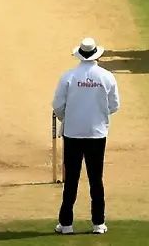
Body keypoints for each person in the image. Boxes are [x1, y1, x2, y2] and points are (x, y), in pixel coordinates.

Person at [52, 38, 120, 235]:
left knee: (71, 180)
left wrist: (69, 118)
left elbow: (57, 105)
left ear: (80, 54)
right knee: (95, 179)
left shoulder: (69, 76)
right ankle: (98, 223)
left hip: (72, 133)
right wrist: (98, 115)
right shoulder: (107, 77)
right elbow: (114, 105)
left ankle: (66, 225)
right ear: (97, 54)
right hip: (97, 134)